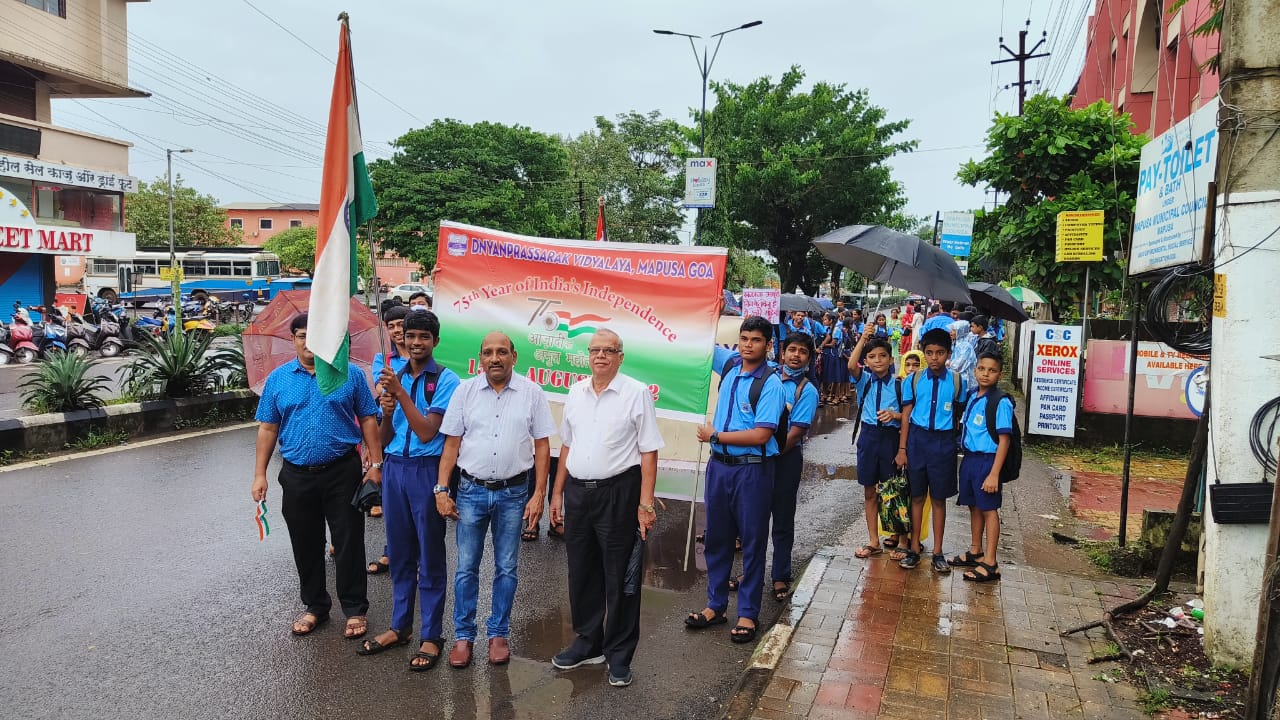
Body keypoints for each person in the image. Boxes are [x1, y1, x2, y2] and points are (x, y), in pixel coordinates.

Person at [251, 313, 382, 639]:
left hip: (342, 471)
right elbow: (268, 427)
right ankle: (315, 607)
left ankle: (354, 609)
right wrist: (259, 475)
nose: (308, 343)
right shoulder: (278, 379)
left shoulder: (349, 375)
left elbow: (368, 419)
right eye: (301, 336)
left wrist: (375, 466)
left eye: (315, 335)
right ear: (293, 340)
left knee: (349, 541)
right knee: (305, 543)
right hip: (296, 475)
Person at [548, 329, 663, 688]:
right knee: (581, 573)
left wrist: (645, 503)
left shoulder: (635, 393)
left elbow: (648, 450)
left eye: (609, 350)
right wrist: (557, 494)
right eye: (595, 350)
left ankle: (618, 656)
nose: (601, 356)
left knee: (621, 579)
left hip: (619, 494)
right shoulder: (576, 392)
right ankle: (588, 642)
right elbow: (567, 445)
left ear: (620, 356)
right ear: (588, 354)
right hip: (579, 494)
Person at [436, 331, 555, 668]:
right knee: (466, 568)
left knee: (506, 568)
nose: (495, 358)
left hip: (514, 493)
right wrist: (442, 489)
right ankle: (463, 637)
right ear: (480, 357)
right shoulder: (465, 391)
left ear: (514, 357)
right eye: (488, 352)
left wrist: (539, 494)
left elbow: (543, 445)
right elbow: (451, 444)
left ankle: (498, 633)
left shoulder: (531, 393)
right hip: (471, 491)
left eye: (502, 352)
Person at [357, 310, 460, 670]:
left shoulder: (445, 380)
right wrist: (386, 411)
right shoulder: (393, 375)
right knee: (399, 555)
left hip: (426, 470)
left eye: (424, 337)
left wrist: (399, 395)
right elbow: (384, 440)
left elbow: (428, 431)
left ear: (435, 341)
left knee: (429, 556)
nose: (415, 342)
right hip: (395, 471)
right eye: (411, 335)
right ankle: (399, 626)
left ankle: (431, 635)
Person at [685, 316, 786, 645]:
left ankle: (748, 613)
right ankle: (716, 605)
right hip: (720, 467)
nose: (747, 345)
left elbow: (761, 434)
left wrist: (717, 434)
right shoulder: (729, 365)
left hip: (752, 469)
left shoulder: (771, 382)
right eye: (743, 338)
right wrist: (708, 309)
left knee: (753, 542)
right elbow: (699, 340)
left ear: (767, 344)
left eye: (756, 340)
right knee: (716, 538)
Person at [896, 328, 968, 573]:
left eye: (940, 352)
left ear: (948, 353)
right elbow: (906, 416)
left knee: (939, 498)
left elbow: (959, 414)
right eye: (930, 353)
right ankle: (914, 548)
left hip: (943, 443)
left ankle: (938, 551)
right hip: (917, 441)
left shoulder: (958, 381)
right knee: (916, 496)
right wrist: (902, 448)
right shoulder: (913, 380)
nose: (935, 357)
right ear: (924, 354)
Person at [949, 353, 1011, 583]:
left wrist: (994, 473)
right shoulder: (973, 395)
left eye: (991, 370)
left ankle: (991, 561)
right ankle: (976, 550)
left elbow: (1004, 439)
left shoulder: (1000, 401)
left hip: (988, 460)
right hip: (970, 459)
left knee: (989, 509)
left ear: (999, 374)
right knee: (974, 506)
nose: (985, 374)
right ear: (975, 370)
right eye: (982, 369)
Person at [847, 324, 906, 560]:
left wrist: (895, 415)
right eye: (872, 357)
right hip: (869, 437)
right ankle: (874, 540)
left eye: (883, 356)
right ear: (867, 361)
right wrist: (863, 338)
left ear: (891, 360)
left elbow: (910, 418)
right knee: (869, 491)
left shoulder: (901, 385)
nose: (878, 360)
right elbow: (851, 365)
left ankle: (901, 540)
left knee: (894, 491)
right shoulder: (864, 381)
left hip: (891, 438)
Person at [367, 305, 411, 563]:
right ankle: (391, 551)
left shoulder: (424, 357)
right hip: (390, 428)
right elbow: (380, 389)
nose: (396, 330)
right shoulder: (382, 360)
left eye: (400, 324)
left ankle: (416, 558)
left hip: (418, 434)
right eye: (391, 326)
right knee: (394, 502)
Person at [818, 314, 841, 405]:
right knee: (825, 375)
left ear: (831, 320)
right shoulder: (825, 330)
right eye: (823, 320)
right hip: (825, 354)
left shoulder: (836, 330)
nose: (824, 321)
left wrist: (821, 345)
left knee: (834, 375)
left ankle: (836, 396)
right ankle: (824, 394)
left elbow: (832, 344)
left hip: (832, 353)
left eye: (826, 320)